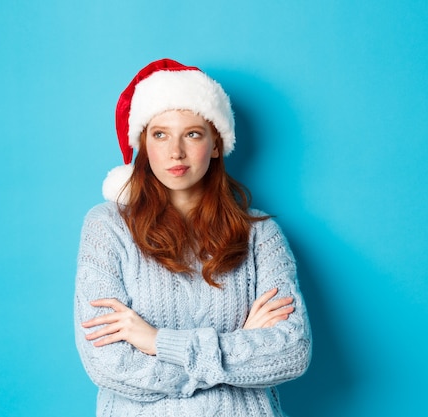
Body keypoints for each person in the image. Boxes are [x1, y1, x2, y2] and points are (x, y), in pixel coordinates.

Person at [74, 58, 312, 417]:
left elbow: (292, 352)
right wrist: (237, 349)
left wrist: (157, 341)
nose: (176, 152)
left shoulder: (260, 233)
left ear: (216, 143)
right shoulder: (107, 227)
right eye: (160, 134)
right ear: (143, 143)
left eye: (193, 134)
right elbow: (109, 365)